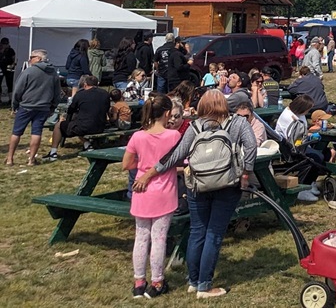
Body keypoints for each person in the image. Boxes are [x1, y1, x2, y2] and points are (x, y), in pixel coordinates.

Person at [136, 90, 256, 299]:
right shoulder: (238, 123)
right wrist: (245, 171)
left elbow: (177, 154)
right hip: (227, 184)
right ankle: (205, 285)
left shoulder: (195, 126)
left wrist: (151, 172)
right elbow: (252, 146)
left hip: (197, 185)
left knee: (197, 231)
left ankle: (193, 280)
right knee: (215, 233)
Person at [121, 93, 180, 299]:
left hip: (141, 190)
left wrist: (144, 164)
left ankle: (139, 281)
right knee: (159, 238)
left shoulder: (138, 136)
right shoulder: (173, 136)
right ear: (167, 113)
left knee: (141, 237)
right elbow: (180, 161)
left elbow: (126, 164)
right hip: (164, 191)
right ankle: (157, 281)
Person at [6, 49, 61, 166]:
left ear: (39, 59)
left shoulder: (29, 72)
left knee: (16, 132)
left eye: (32, 57)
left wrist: (14, 105)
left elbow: (18, 90)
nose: (29, 59)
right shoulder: (53, 73)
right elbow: (57, 93)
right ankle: (31, 160)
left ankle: (10, 158)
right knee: (36, 133)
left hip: (26, 106)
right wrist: (53, 107)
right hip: (43, 107)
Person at [46, 75, 109, 159]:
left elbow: (71, 109)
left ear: (85, 84)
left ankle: (53, 152)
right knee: (78, 122)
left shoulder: (80, 94)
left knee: (59, 125)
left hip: (84, 126)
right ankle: (87, 145)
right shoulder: (105, 94)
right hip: (100, 126)